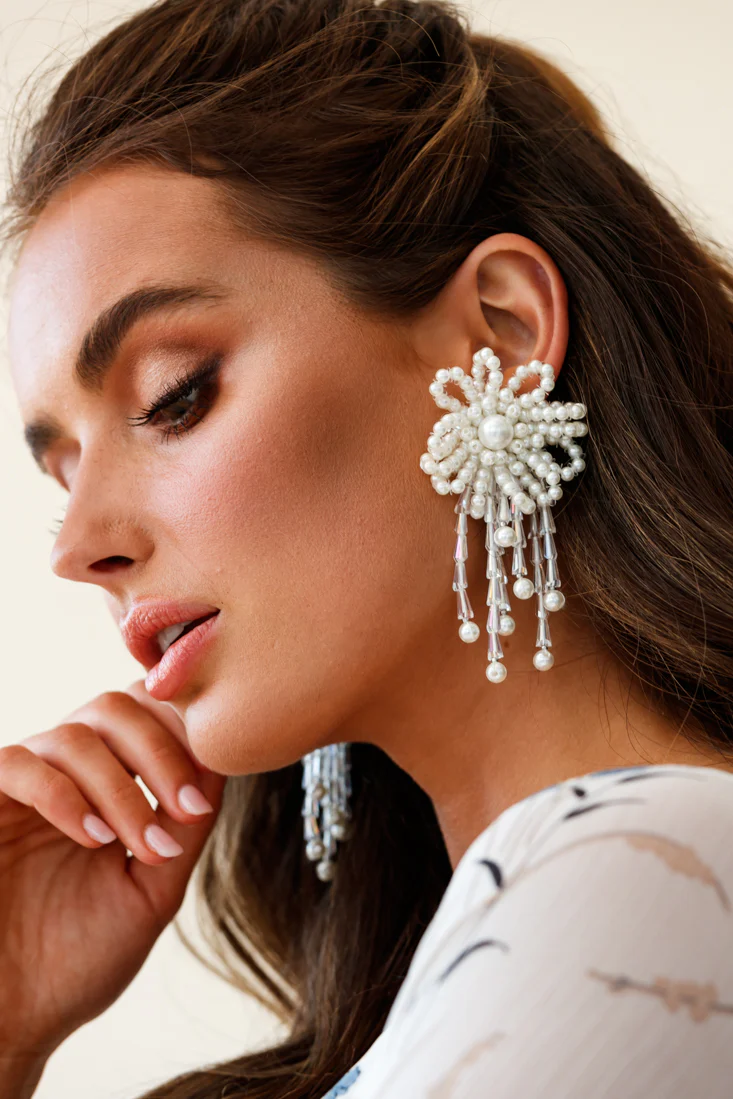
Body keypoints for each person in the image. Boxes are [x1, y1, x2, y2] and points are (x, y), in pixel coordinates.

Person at [1, 0, 733, 1095]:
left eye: (172, 397)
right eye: (63, 469)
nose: (78, 546)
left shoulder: (651, 874)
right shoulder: (505, 954)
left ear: (502, 333)